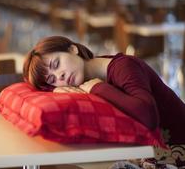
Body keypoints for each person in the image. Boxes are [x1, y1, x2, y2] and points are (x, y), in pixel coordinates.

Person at [23, 35, 185, 145]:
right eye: (53, 79)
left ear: (73, 49)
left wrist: (98, 88)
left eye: (56, 64)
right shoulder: (80, 80)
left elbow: (148, 116)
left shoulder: (124, 67)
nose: (61, 76)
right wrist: (55, 91)